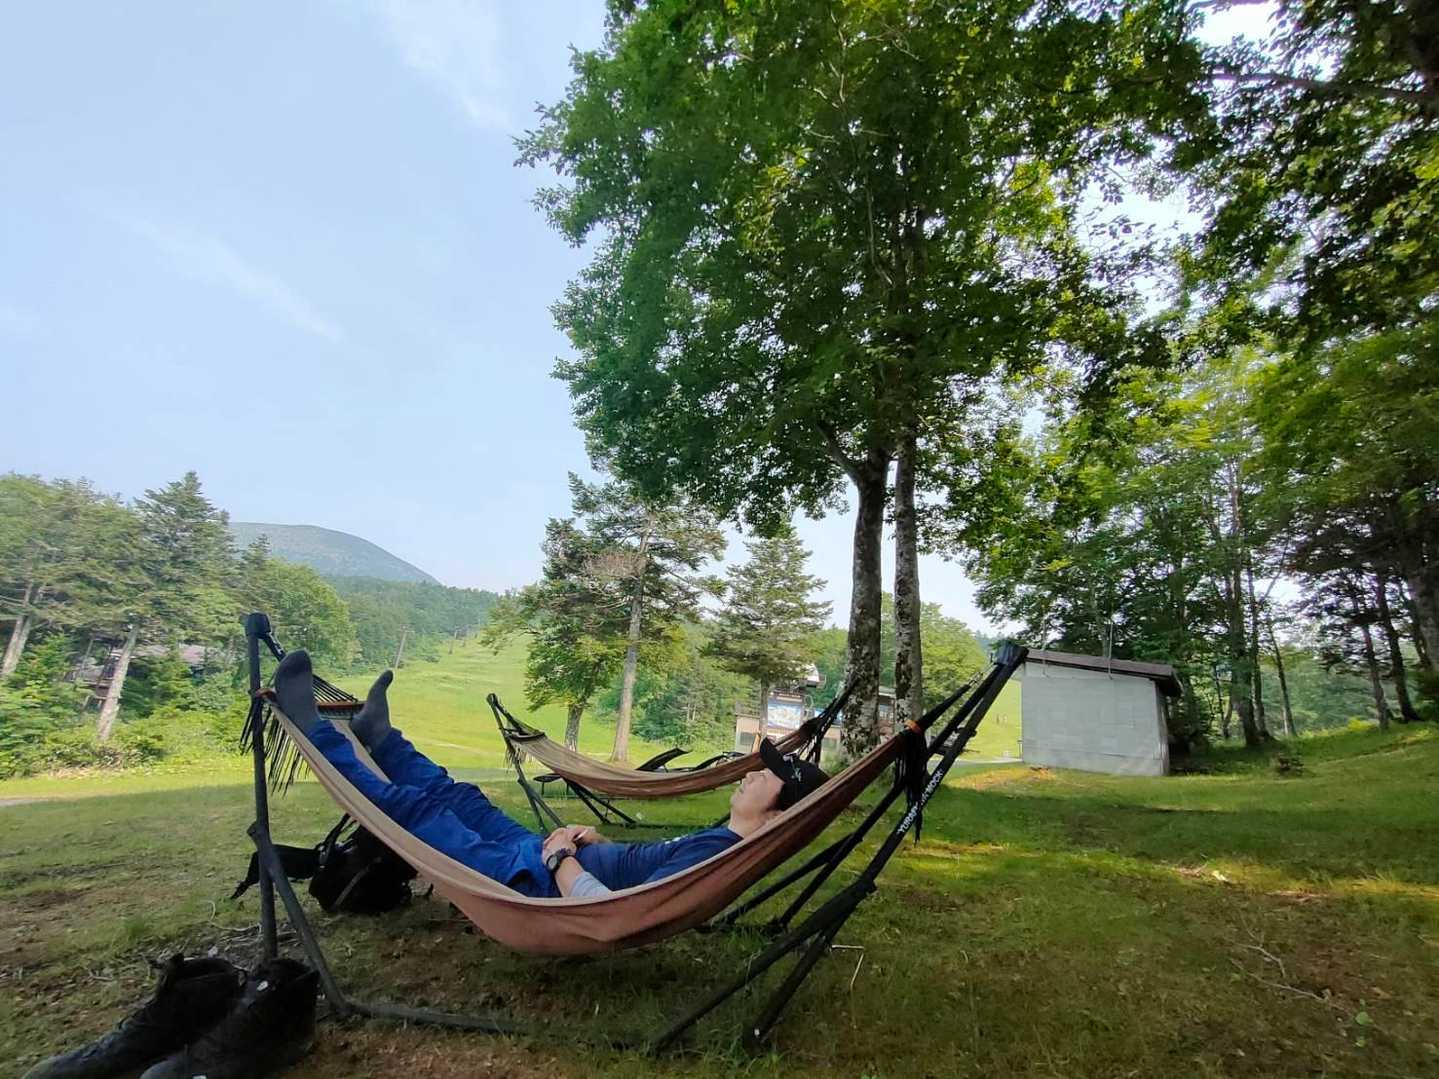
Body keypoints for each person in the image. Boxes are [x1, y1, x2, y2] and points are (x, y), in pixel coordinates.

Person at [272, 650, 828, 899]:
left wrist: (562, 859)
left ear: (777, 814)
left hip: (533, 879)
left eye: (768, 778)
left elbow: (606, 910)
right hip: (545, 856)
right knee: (463, 799)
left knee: (418, 814)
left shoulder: (717, 855)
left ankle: (317, 731)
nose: (750, 776)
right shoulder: (723, 840)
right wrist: (593, 841)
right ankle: (382, 738)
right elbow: (639, 872)